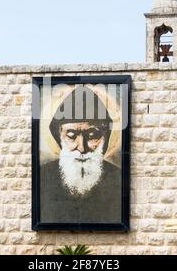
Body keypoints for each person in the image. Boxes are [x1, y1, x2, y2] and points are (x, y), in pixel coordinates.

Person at [40, 86, 121, 224]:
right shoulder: (42, 176)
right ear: (58, 136)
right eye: (71, 135)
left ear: (105, 138)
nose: (82, 147)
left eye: (92, 135)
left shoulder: (119, 178)